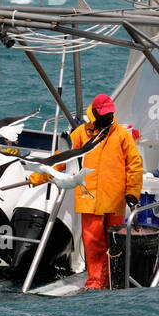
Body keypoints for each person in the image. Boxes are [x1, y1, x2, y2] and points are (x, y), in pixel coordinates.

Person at [29, 93, 143, 291]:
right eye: (105, 114)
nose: (109, 117)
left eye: (111, 114)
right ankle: (96, 282)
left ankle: (112, 278)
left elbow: (134, 165)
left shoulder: (122, 134)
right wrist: (35, 178)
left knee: (114, 243)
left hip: (115, 200)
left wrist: (133, 192)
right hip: (89, 199)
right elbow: (61, 159)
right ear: (95, 113)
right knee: (93, 243)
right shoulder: (81, 133)